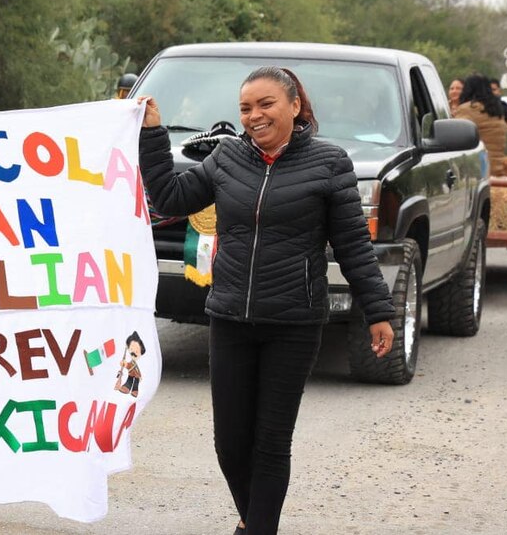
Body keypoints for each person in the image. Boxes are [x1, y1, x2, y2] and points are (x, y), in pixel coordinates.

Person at [138, 66, 396, 535]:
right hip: (230, 318)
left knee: (271, 443)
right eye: (245, 108)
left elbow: (354, 245)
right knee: (230, 443)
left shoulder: (329, 163)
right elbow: (170, 197)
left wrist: (378, 311)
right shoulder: (227, 158)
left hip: (293, 324)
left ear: (295, 106)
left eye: (265, 104)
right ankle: (251, 521)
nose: (254, 116)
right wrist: (153, 136)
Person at [454, 74, 507, 176]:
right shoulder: (496, 110)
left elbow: (455, 138)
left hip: (479, 171)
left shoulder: (467, 109)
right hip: (498, 169)